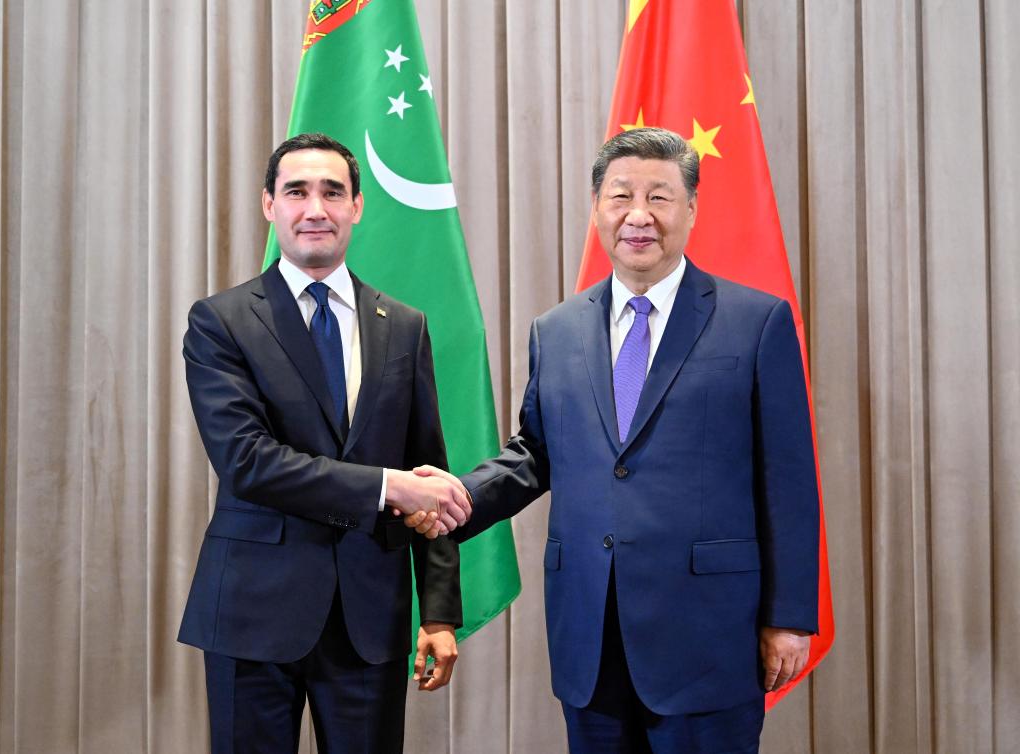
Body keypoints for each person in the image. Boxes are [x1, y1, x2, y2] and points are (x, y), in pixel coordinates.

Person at [409, 127, 819, 753]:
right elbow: (537, 453)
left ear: (691, 209)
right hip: (591, 634)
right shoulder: (557, 330)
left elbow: (787, 479)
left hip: (708, 633)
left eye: (659, 197)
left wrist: (788, 616)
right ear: (597, 207)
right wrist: (458, 497)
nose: (638, 215)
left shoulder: (756, 322)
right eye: (621, 196)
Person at [179, 132, 471, 754]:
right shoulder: (220, 321)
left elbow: (430, 473)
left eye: (333, 192)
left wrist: (439, 610)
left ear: (356, 206)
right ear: (269, 204)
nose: (316, 208)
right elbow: (247, 462)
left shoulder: (405, 326)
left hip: (369, 615)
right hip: (253, 614)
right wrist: (387, 487)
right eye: (297, 192)